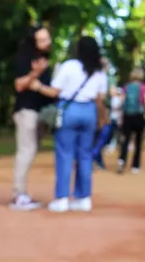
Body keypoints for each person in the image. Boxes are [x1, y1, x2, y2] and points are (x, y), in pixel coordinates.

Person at [41, 36, 109, 213]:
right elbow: (100, 99)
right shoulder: (100, 71)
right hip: (89, 112)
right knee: (85, 156)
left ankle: (62, 198)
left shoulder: (69, 66)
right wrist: (102, 119)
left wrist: (37, 87)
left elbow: (54, 91)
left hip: (69, 111)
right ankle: (83, 198)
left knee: (65, 155)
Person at [10, 25, 53, 210]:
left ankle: (22, 192)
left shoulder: (46, 60)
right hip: (25, 110)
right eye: (42, 40)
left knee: (31, 150)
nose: (47, 43)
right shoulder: (23, 58)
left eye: (47, 38)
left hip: (39, 111)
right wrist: (35, 73)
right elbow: (19, 85)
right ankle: (18, 194)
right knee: (26, 151)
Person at [116, 67, 145, 174]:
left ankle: (122, 160)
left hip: (127, 116)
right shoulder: (144, 87)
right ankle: (135, 166)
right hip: (139, 116)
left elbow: (121, 101)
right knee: (138, 141)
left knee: (125, 139)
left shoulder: (126, 87)